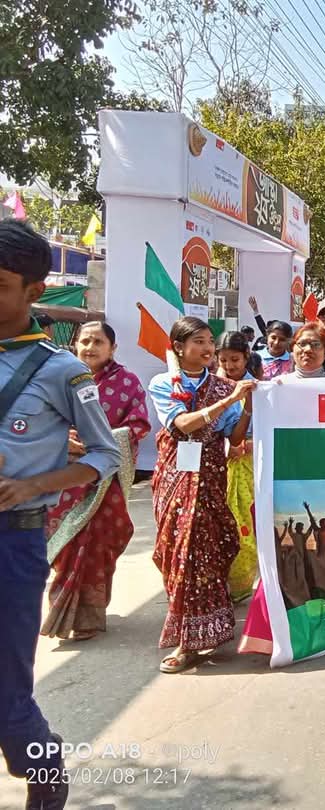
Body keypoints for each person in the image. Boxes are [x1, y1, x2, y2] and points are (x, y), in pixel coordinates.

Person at [0, 221, 119, 810]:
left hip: (13, 543)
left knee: (5, 691)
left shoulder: (59, 370)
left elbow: (105, 454)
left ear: (33, 290)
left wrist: (33, 485)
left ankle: (42, 764)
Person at [147, 316, 255, 674]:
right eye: (199, 342)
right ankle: (188, 627)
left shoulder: (224, 388)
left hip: (209, 477)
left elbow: (235, 437)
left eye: (210, 341)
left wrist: (247, 406)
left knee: (203, 549)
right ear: (179, 347)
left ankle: (194, 639)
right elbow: (182, 424)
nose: (208, 348)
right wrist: (230, 399)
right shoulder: (163, 383)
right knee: (175, 551)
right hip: (174, 476)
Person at [42, 322, 150, 642]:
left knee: (99, 543)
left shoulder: (127, 382)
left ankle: (89, 615)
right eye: (85, 341)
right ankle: (62, 610)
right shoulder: (57, 377)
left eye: (98, 342)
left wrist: (98, 443)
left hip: (104, 480)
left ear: (112, 348)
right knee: (66, 545)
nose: (89, 347)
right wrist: (63, 439)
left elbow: (138, 425)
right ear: (75, 344)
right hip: (63, 476)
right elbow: (38, 420)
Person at [215, 331, 259, 603]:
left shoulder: (258, 389)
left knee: (244, 526)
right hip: (216, 467)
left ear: (246, 358)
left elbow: (267, 428)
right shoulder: (210, 387)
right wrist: (225, 445)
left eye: (235, 359)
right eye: (224, 360)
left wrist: (250, 443)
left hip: (247, 468)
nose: (230, 366)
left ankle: (240, 585)